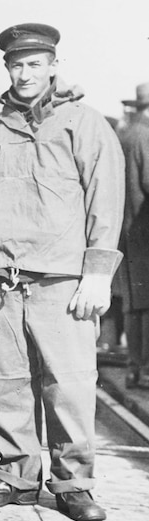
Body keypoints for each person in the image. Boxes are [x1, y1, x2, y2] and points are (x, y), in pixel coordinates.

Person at [0, 23, 124, 521]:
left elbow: (105, 200)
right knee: (6, 381)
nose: (24, 73)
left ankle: (74, 484)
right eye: (16, 64)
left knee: (68, 383)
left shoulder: (84, 122)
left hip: (62, 278)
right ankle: (16, 477)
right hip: (1, 277)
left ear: (53, 65)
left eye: (34, 64)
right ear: (6, 68)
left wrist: (97, 272)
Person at [118, 82, 149, 389]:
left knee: (134, 304)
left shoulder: (125, 133)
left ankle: (134, 368)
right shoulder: (146, 136)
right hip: (145, 232)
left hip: (126, 234)